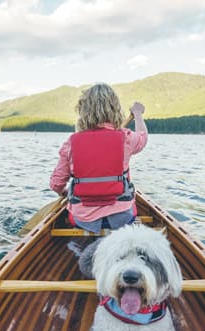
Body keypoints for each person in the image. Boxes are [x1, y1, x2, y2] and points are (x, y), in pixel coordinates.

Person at [49, 83, 148, 233]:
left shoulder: (71, 143)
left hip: (83, 220)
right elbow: (143, 138)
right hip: (122, 217)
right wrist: (138, 114)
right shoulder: (126, 138)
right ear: (114, 109)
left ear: (83, 111)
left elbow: (56, 184)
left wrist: (65, 193)